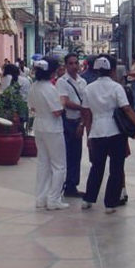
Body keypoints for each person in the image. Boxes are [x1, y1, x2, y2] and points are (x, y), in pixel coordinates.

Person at [81, 55, 135, 213]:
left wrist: (88, 134)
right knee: (116, 168)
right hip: (115, 131)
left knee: (97, 167)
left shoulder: (88, 88)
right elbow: (127, 109)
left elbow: (87, 114)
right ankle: (110, 203)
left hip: (97, 131)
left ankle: (88, 199)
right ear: (112, 70)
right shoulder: (116, 87)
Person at [28, 57, 68, 210]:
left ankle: (41, 198)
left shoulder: (34, 87)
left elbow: (32, 108)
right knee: (59, 165)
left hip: (39, 126)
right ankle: (54, 199)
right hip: (53, 127)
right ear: (51, 71)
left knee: (43, 163)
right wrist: (63, 102)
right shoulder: (50, 89)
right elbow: (57, 111)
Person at [56, 53, 87, 198]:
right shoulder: (62, 82)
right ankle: (66, 184)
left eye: (76, 63)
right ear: (66, 65)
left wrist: (82, 123)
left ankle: (73, 184)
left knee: (77, 154)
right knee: (67, 154)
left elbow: (86, 102)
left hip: (79, 121)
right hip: (67, 121)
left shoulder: (82, 82)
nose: (74, 66)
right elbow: (65, 102)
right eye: (71, 63)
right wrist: (82, 108)